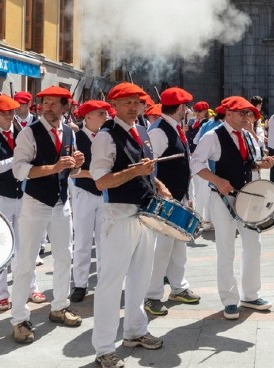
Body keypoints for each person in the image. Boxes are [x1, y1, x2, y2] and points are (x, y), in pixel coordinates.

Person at [90, 82, 172, 368]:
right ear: (114, 105)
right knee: (110, 284)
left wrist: (159, 185)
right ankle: (103, 347)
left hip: (144, 214)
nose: (133, 107)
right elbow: (101, 180)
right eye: (126, 102)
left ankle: (135, 331)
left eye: (137, 101)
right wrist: (136, 171)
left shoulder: (143, 131)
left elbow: (147, 170)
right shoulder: (106, 136)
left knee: (141, 279)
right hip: (119, 215)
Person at [190, 96, 274, 320]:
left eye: (248, 113)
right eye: (241, 113)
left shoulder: (247, 135)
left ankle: (250, 294)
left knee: (253, 245)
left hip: (247, 198)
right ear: (228, 113)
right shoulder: (212, 136)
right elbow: (196, 162)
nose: (246, 117)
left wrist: (262, 163)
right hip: (221, 198)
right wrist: (216, 180)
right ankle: (229, 300)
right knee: (226, 249)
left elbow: (249, 162)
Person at [10, 86, 85, 344]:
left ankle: (59, 306)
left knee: (65, 256)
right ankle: (19, 318)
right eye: (46, 103)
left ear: (66, 107)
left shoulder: (68, 132)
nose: (49, 107)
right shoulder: (29, 132)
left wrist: (77, 165)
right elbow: (19, 170)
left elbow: (69, 172)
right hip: (35, 202)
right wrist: (53, 168)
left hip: (61, 202)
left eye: (55, 104)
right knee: (26, 261)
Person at [0, 94, 41, 311]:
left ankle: (31, 288)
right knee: (2, 245)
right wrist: (17, 158)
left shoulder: (21, 133)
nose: (10, 115)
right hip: (0, 196)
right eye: (5, 113)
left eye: (12, 111)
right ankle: (1, 293)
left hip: (21, 195)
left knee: (26, 246)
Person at [144, 87, 201, 316]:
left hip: (178, 196)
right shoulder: (159, 130)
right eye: (185, 106)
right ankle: (152, 295)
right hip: (164, 199)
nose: (187, 110)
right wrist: (160, 189)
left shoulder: (174, 127)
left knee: (179, 245)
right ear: (180, 108)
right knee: (162, 249)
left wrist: (187, 195)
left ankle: (178, 287)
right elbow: (148, 165)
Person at [68, 100, 112, 303]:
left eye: (105, 113)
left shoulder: (107, 136)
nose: (105, 117)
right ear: (88, 117)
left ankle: (104, 281)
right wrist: (94, 175)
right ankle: (80, 284)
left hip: (104, 194)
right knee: (83, 241)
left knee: (105, 241)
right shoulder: (75, 137)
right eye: (101, 114)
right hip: (84, 194)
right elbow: (72, 171)